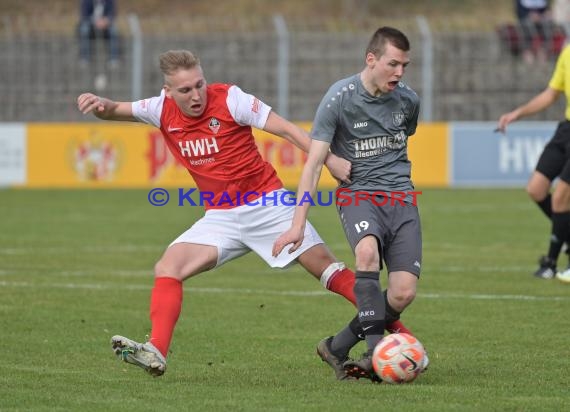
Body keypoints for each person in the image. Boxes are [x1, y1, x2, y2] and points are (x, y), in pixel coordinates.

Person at [76, 49, 413, 377]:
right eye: (185, 90)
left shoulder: (232, 99)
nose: (196, 94)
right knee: (168, 267)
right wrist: (100, 105)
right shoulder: (158, 108)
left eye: (199, 84)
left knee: (329, 271)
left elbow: (287, 130)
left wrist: (330, 159)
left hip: (268, 205)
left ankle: (404, 337)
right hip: (221, 217)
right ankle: (157, 351)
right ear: (168, 92)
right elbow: (115, 110)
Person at [273, 27, 427, 382]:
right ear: (371, 59)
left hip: (402, 198)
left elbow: (407, 135)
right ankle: (376, 354)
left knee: (402, 294)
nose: (399, 73)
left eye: (405, 65)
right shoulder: (338, 98)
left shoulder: (408, 100)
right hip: (358, 194)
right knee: (367, 255)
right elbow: (313, 164)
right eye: (393, 64)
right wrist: (297, 224)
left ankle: (337, 345)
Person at [497, 44, 570, 283]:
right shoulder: (567, 52)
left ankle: (550, 263)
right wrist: (517, 113)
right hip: (566, 131)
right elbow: (551, 93)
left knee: (561, 196)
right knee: (536, 188)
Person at [79, 0, 120, 68]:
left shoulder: (110, 1)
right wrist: (95, 22)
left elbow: (112, 14)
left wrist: (106, 21)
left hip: (105, 24)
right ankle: (85, 58)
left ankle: (114, 59)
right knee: (84, 29)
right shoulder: (86, 1)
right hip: (91, 23)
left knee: (113, 30)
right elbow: (84, 15)